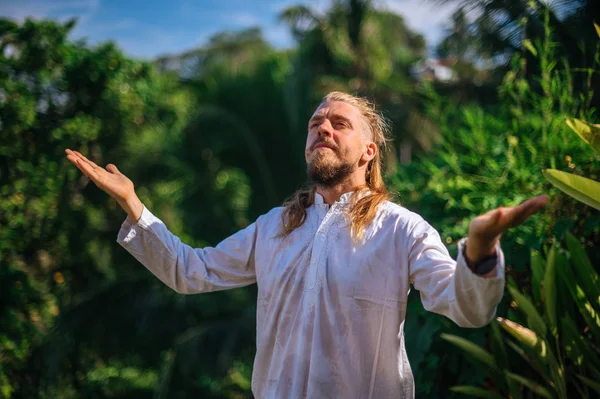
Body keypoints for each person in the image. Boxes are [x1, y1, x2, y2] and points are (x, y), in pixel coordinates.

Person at [65, 91, 548, 398]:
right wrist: (133, 205)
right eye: (317, 122)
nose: (323, 127)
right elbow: (191, 271)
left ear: (369, 151)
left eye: (339, 123)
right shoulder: (274, 227)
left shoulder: (402, 229)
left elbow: (464, 307)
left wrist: (479, 251)